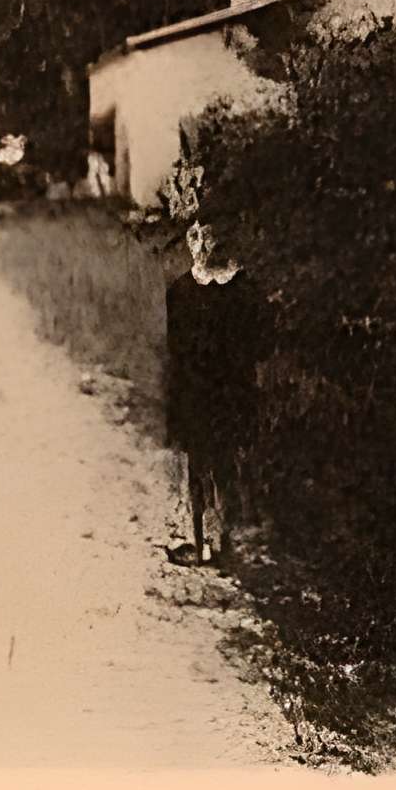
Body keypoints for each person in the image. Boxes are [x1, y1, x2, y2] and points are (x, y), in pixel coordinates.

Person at [162, 219, 262, 566]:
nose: (205, 246)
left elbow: (258, 346)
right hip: (196, 390)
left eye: (213, 240)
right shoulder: (180, 291)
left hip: (230, 391)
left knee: (225, 462)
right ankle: (195, 536)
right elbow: (177, 349)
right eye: (199, 239)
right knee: (195, 462)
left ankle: (223, 538)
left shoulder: (245, 292)